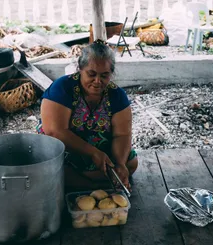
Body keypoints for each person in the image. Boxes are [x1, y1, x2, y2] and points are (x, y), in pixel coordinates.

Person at [37, 39, 138, 191]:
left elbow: (122, 135)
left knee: (131, 163)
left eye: (104, 75)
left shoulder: (117, 95)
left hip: (97, 147)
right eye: (91, 74)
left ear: (111, 73)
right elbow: (54, 131)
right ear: (80, 69)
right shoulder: (63, 88)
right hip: (65, 146)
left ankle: (84, 181)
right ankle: (94, 184)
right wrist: (93, 153)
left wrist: (120, 164)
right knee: (50, 167)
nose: (97, 81)